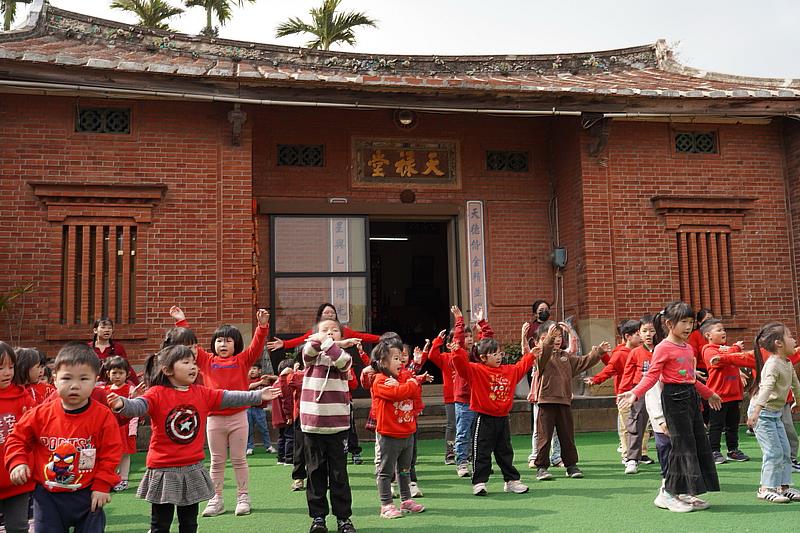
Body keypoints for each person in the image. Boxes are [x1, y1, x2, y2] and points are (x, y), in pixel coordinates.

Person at [108, 344, 282, 532]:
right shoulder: (157, 393)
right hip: (163, 468)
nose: (193, 367)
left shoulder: (201, 392)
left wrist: (257, 395)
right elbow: (139, 406)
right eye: (186, 362)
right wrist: (122, 404)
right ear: (167, 370)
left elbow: (229, 396)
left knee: (189, 524)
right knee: (160, 524)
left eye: (193, 362)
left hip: (192, 467)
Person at [4, 342, 123, 532]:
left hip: (88, 493)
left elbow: (111, 453)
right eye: (67, 378)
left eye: (84, 379)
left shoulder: (103, 416)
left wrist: (102, 484)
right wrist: (18, 461)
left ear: (96, 381)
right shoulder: (40, 414)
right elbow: (17, 438)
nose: (75, 385)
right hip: (47, 495)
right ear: (55, 380)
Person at [619, 301, 722, 510]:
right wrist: (634, 393)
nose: (688, 327)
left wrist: (708, 393)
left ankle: (684, 492)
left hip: (690, 399)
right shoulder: (662, 348)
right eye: (683, 322)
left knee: (694, 445)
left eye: (691, 322)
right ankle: (667, 492)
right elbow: (652, 377)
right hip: (673, 399)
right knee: (680, 446)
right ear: (668, 323)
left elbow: (691, 378)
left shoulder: (688, 348)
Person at [170, 306, 270, 517]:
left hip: (238, 417)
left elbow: (256, 346)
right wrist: (181, 321)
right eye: (219, 340)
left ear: (236, 344)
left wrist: (262, 327)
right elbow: (191, 345)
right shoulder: (206, 360)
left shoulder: (243, 360)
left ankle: (243, 497)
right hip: (214, 418)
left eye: (228, 341)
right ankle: (216, 499)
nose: (223, 344)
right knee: (216, 460)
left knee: (239, 459)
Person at [450, 321, 536, 496]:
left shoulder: (508, 371)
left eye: (499, 353)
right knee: (481, 452)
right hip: (483, 418)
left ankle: (511, 481)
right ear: (483, 358)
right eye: (494, 354)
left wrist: (532, 355)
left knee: (505, 452)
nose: (498, 357)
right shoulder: (476, 370)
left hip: (503, 418)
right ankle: (479, 482)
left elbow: (521, 367)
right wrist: (457, 350)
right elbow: (461, 366)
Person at [301, 318, 360, 533]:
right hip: (313, 425)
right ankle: (318, 518)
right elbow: (308, 351)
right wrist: (319, 341)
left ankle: (343, 518)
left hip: (337, 426)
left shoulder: (342, 357)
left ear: (341, 337)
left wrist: (330, 343)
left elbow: (343, 362)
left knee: (339, 475)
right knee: (315, 473)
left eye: (334, 330)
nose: (329, 333)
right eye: (324, 330)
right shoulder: (311, 357)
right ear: (314, 333)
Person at [534, 322, 610, 480]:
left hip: (564, 402)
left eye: (558, 336)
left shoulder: (565, 356)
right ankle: (541, 467)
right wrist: (548, 339)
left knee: (567, 435)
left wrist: (598, 353)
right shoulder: (540, 356)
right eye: (550, 337)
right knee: (544, 436)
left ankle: (571, 465)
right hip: (546, 401)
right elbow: (544, 355)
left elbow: (583, 362)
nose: (555, 340)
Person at [370, 335, 431, 518]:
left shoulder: (404, 377)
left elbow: (412, 391)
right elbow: (399, 393)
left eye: (401, 357)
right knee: (385, 471)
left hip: (407, 432)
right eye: (396, 358)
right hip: (389, 434)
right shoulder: (380, 380)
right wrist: (411, 383)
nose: (401, 361)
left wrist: (410, 383)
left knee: (405, 470)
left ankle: (406, 500)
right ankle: (386, 504)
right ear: (383, 362)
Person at [745, 322, 800, 503]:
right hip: (762, 412)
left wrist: (798, 403)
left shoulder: (787, 363)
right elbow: (766, 388)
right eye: (790, 336)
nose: (794, 340)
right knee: (773, 451)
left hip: (774, 413)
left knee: (785, 450)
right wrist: (756, 412)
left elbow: (796, 386)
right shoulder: (773, 364)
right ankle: (765, 488)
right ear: (779, 343)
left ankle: (783, 487)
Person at [584, 319, 641, 464]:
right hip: (624, 393)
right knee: (626, 426)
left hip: (638, 392)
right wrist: (596, 379)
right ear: (628, 336)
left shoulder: (638, 351)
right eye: (639, 333)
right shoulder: (621, 353)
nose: (643, 336)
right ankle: (627, 454)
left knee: (640, 426)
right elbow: (610, 368)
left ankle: (639, 453)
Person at [701, 318, 754, 464]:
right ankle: (714, 451)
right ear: (708, 335)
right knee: (717, 425)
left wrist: (739, 372)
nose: (723, 332)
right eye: (719, 330)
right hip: (718, 395)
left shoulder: (726, 348)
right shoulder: (708, 350)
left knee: (733, 425)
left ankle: (733, 450)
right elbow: (719, 362)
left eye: (723, 329)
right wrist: (735, 349)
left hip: (734, 394)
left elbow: (733, 360)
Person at [450, 305, 492, 478]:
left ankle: (478, 463)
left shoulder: (476, 353)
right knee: (463, 433)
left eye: (470, 336)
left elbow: (487, 342)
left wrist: (482, 322)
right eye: (465, 336)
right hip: (464, 400)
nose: (468, 339)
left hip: (479, 399)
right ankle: (461, 462)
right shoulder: (460, 354)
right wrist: (459, 320)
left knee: (479, 435)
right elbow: (458, 341)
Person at [0, 342, 36, 533]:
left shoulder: (23, 398)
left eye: (11, 367)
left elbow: (39, 426)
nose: (7, 372)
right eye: (1, 368)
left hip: (17, 479)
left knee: (18, 528)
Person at [644, 381, 693, 512]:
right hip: (664, 422)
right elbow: (652, 395)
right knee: (669, 453)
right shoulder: (658, 369)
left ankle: (681, 491)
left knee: (683, 454)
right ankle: (667, 493)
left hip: (679, 416)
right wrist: (661, 419)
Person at [618, 316, 657, 473]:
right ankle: (632, 459)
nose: (648, 334)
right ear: (639, 334)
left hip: (659, 391)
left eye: (652, 331)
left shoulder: (663, 349)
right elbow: (627, 374)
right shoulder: (635, 353)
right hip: (639, 392)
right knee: (636, 424)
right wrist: (622, 393)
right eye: (644, 331)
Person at [100, 356, 142, 492]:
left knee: (125, 454)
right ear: (108, 374)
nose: (117, 376)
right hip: (109, 428)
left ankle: (123, 479)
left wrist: (133, 429)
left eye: (121, 373)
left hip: (125, 427)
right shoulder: (104, 390)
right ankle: (112, 478)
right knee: (111, 454)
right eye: (114, 373)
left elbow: (135, 408)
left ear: (127, 374)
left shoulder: (130, 389)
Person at [266, 303, 381, 352]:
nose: (330, 315)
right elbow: (301, 340)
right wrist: (285, 344)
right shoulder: (315, 331)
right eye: (327, 313)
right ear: (320, 316)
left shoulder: (343, 330)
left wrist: (380, 338)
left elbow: (362, 336)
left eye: (332, 313)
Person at [425, 330, 457, 465]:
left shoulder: (467, 356)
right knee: (452, 425)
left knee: (467, 426)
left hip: (467, 397)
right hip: (451, 396)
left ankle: (467, 452)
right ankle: (450, 452)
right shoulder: (445, 357)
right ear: (449, 344)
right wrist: (438, 341)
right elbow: (432, 355)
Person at [88, 317, 138, 384]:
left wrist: (136, 384)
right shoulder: (88, 348)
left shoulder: (118, 348)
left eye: (109, 328)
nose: (107, 330)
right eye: (103, 328)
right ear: (95, 330)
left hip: (113, 385)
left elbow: (126, 367)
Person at [246, 363, 278, 456]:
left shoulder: (265, 379)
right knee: (249, 429)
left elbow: (278, 379)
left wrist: (269, 377)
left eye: (254, 368)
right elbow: (248, 387)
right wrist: (260, 382)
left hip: (260, 409)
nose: (251, 371)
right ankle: (249, 447)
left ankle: (268, 446)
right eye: (250, 369)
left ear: (259, 370)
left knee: (264, 428)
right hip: (248, 408)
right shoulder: (247, 380)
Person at [271, 358, 296, 465]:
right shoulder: (284, 383)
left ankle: (281, 457)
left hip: (278, 416)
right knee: (290, 437)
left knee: (282, 437)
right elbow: (287, 401)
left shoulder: (275, 383)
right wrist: (289, 415)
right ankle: (289, 458)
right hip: (285, 415)